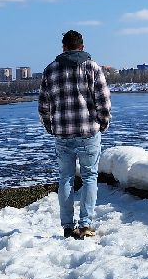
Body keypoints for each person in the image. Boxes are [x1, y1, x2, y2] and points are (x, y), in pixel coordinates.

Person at [37, 29, 112, 240]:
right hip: (89, 131)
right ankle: (86, 225)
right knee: (89, 177)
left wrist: (50, 127)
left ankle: (68, 227)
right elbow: (103, 101)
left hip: (62, 133)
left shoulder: (50, 71)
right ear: (82, 47)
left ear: (63, 48)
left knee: (66, 178)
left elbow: (43, 106)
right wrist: (103, 123)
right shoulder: (92, 68)